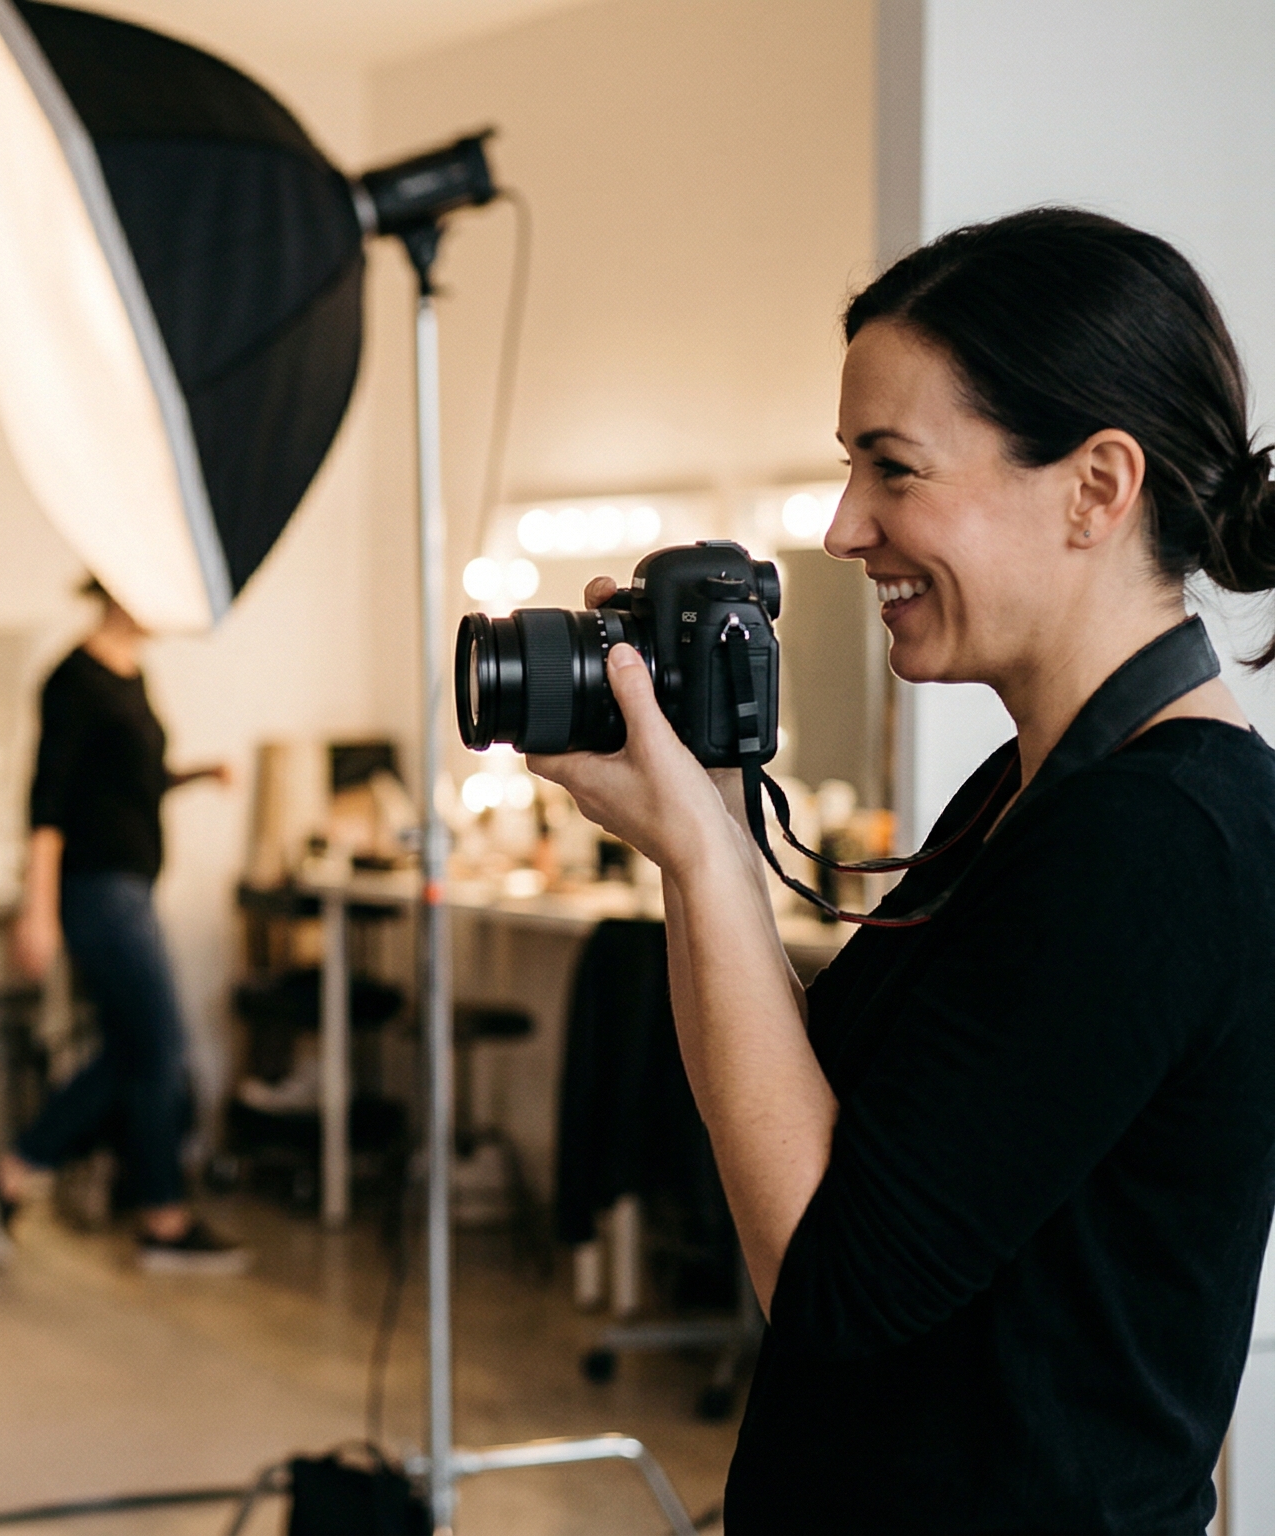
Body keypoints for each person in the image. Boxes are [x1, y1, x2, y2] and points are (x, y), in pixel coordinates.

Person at [532, 207, 1275, 1534]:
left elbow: (827, 1285)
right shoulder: (1043, 793)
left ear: (1098, 488)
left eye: (894, 469)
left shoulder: (1163, 842)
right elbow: (820, 1129)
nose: (841, 527)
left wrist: (708, 860)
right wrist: (695, 812)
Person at [0, 581, 240, 1272]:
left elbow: (139, 781)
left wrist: (198, 775)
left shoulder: (134, 676)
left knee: (134, 1051)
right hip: (94, 892)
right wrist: (36, 910)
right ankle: (162, 1218)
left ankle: (18, 1166)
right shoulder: (72, 679)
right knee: (159, 1048)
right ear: (121, 592)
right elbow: (48, 803)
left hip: (129, 890)